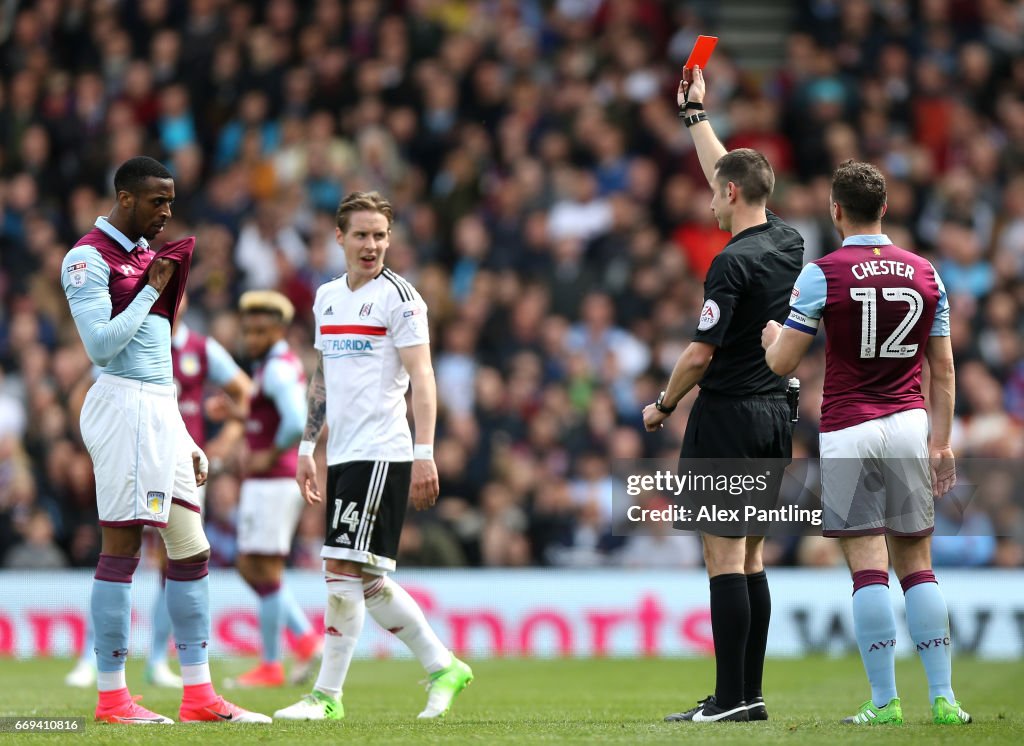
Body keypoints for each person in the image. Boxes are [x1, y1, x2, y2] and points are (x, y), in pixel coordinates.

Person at [60, 155, 269, 724]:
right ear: (126, 198)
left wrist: (183, 433)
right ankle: (111, 699)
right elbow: (101, 349)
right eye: (158, 201)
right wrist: (152, 292)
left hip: (159, 410)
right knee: (123, 549)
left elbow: (156, 358)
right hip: (121, 404)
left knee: (192, 550)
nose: (167, 212)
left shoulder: (149, 258)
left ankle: (199, 696)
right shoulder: (87, 259)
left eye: (172, 201)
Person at [762, 159, 971, 726]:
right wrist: (943, 443)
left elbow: (783, 362)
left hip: (849, 426)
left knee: (867, 568)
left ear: (836, 211)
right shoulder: (926, 272)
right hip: (909, 423)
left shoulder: (822, 274)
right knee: (918, 564)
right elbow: (945, 370)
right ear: (885, 208)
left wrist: (772, 337)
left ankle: (884, 703)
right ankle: (945, 699)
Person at [642, 66, 804, 723]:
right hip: (775, 414)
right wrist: (696, 116)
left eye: (715, 191)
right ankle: (747, 694)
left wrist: (664, 403)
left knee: (722, 558)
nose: (707, 197)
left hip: (731, 412)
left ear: (731, 194)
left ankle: (732, 699)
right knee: (753, 554)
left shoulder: (730, 262)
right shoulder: (788, 241)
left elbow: (699, 353)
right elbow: (732, 172)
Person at [274, 191, 473, 721]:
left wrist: (423, 451)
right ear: (338, 237)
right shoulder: (326, 297)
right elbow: (322, 378)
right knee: (364, 577)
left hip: (382, 452)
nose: (372, 245)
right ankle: (443, 665)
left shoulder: (401, 298)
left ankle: (326, 697)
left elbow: (423, 377)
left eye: (380, 235)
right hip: (342, 453)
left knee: (340, 566)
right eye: (361, 234)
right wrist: (306, 446)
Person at [64, 295, 254, 690]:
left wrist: (229, 438)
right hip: (129, 460)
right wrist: (94, 447)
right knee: (119, 553)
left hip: (181, 466)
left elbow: (245, 392)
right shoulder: (130, 337)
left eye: (182, 294)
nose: (176, 301)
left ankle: (156, 660)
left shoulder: (202, 349)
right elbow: (83, 393)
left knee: (177, 562)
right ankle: (90, 659)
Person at [229, 290, 322, 688]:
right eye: (248, 331)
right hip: (268, 483)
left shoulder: (278, 368)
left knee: (260, 566)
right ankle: (301, 640)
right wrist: (238, 413)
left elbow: (295, 419)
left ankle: (275, 661)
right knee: (253, 566)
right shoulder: (272, 365)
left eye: (261, 331)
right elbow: (270, 415)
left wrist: (268, 454)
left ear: (280, 329)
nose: (252, 338)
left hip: (274, 480)